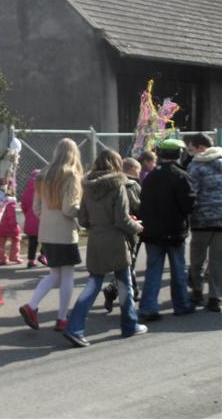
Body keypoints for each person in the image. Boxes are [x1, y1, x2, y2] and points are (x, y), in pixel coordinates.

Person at [64, 150, 146, 347]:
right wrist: (137, 226)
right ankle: (129, 325)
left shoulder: (88, 187)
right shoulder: (118, 185)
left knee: (93, 284)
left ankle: (74, 327)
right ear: (116, 164)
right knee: (125, 283)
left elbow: (83, 219)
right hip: (116, 240)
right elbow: (122, 219)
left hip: (95, 240)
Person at [19, 138, 83, 332]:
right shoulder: (71, 175)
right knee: (67, 275)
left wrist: (49, 219)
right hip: (65, 233)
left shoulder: (43, 175)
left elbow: (37, 208)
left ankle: (32, 306)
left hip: (46, 232)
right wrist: (84, 212)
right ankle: (62, 318)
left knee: (54, 274)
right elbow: (69, 208)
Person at [139, 139, 196, 321]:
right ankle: (181, 304)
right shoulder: (181, 176)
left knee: (153, 271)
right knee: (178, 270)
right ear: (179, 154)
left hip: (151, 232)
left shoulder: (150, 177)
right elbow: (188, 205)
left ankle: (148, 308)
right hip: (174, 231)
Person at [186, 133, 222, 313]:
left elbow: (190, 193)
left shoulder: (195, 166)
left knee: (197, 259)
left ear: (201, 148)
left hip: (201, 220)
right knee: (218, 261)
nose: (190, 152)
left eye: (191, 148)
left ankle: (197, 291)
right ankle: (215, 298)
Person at [101, 157, 142, 312]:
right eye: (138, 170)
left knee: (127, 262)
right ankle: (112, 289)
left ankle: (135, 290)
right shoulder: (132, 185)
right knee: (128, 262)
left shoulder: (109, 185)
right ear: (131, 169)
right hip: (131, 227)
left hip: (111, 229)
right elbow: (138, 206)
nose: (139, 173)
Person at [21, 169, 47, 268]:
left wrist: (27, 215)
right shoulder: (43, 190)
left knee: (32, 242)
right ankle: (43, 255)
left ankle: (31, 260)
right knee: (45, 239)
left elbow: (23, 206)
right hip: (42, 218)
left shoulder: (26, 192)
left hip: (30, 221)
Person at [0, 184, 23, 265]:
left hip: (0, 225)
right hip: (10, 226)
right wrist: (15, 226)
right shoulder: (11, 203)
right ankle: (14, 256)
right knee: (16, 239)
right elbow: (12, 216)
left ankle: (0, 258)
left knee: (0, 241)